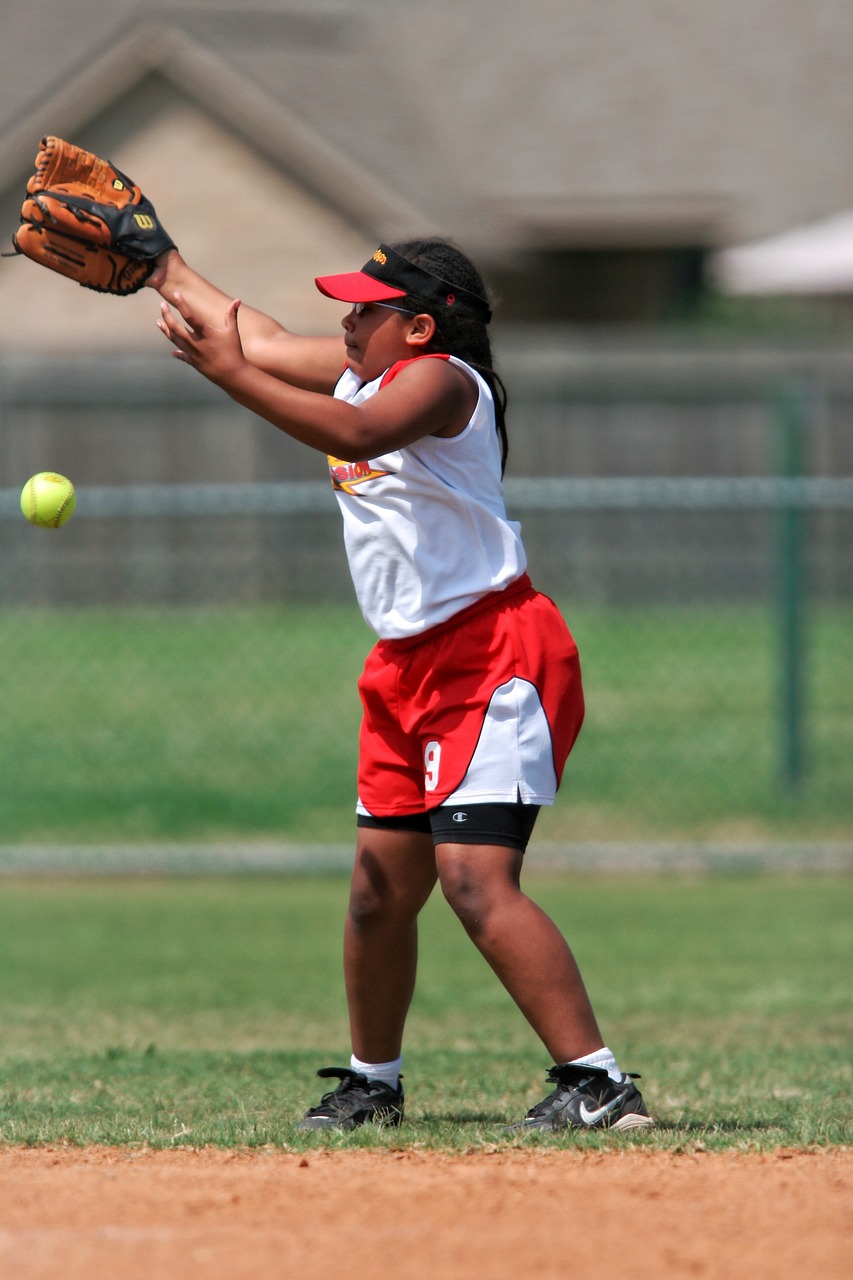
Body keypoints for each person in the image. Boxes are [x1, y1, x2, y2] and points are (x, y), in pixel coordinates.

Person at [148, 238, 653, 1134]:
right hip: (405, 664)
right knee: (378, 893)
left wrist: (226, 374)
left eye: (364, 310)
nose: (345, 321)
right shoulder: (363, 369)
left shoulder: (444, 380)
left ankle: (597, 1084)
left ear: (419, 326)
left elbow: (354, 432)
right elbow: (257, 337)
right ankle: (372, 1083)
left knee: (473, 880)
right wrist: (160, 264)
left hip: (491, 653)